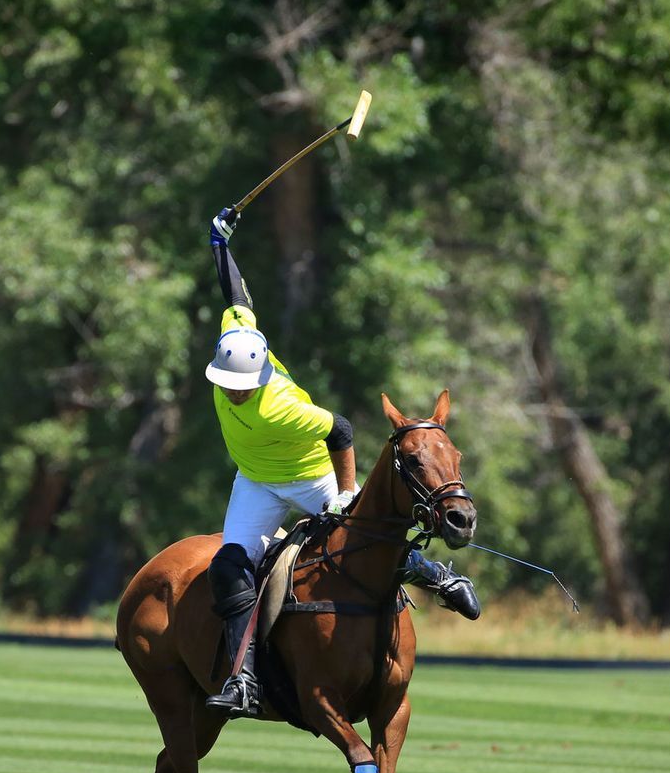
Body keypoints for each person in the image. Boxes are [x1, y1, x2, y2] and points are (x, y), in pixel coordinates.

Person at [202, 206, 479, 718]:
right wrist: (221, 245)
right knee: (229, 565)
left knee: (361, 541)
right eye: (229, 387)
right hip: (256, 482)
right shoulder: (234, 346)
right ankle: (242, 680)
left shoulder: (282, 404)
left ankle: (438, 575)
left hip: (311, 477)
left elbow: (343, 430)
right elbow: (237, 298)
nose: (235, 395)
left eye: (243, 388)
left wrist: (345, 493)